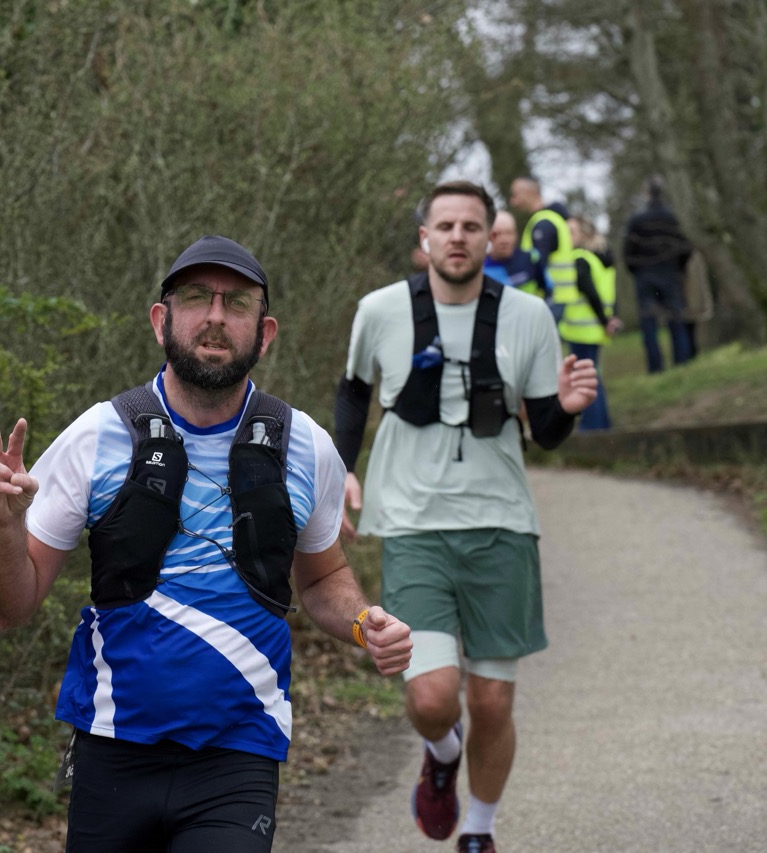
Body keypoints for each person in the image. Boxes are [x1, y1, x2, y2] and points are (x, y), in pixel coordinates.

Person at [0, 234, 413, 853]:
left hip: (239, 752)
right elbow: (10, 608)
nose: (215, 316)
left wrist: (364, 622)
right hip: (113, 746)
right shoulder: (98, 435)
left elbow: (321, 580)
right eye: (195, 298)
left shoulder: (305, 445)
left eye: (236, 303)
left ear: (264, 333)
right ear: (162, 321)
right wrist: (4, 527)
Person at [333, 181, 599, 853]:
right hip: (413, 525)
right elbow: (354, 392)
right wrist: (341, 470)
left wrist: (566, 411)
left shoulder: (529, 316)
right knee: (432, 698)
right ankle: (442, 751)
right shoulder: (380, 310)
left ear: (489, 238)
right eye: (445, 226)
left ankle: (479, 830)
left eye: (471, 226)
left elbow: (545, 431)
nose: (458, 237)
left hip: (501, 524)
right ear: (424, 238)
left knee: (492, 702)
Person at [622, 177, 694, 373]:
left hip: (645, 276)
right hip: (669, 274)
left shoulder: (637, 220)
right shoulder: (671, 218)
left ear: (646, 193)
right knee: (676, 319)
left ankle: (656, 368)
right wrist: (677, 268)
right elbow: (686, 248)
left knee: (649, 323)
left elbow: (628, 253)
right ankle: (682, 363)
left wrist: (638, 270)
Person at [565, 215, 624, 431]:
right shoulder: (601, 260)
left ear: (584, 234)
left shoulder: (579, 258)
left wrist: (604, 319)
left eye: (571, 232)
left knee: (585, 381)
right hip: (597, 329)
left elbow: (590, 292)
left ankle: (592, 426)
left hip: (581, 330)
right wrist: (609, 319)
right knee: (594, 376)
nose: (566, 237)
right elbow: (609, 293)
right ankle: (602, 423)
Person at [510, 176, 574, 304]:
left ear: (529, 193)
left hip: (548, 299)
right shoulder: (552, 219)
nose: (513, 202)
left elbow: (538, 263)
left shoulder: (543, 223)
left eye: (515, 195)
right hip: (558, 297)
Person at [481, 210, 540, 293]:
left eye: (509, 233)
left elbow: (549, 291)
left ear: (516, 234)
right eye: (498, 234)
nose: (504, 240)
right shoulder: (480, 269)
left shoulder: (531, 260)